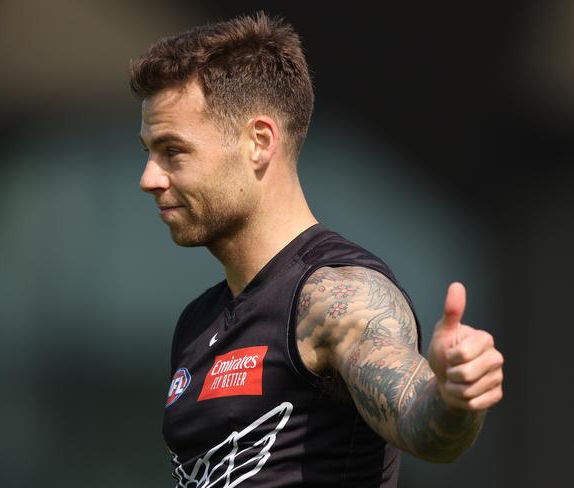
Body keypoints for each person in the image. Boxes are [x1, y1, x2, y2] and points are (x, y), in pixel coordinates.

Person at [130, 12, 504, 487]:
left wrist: (451, 401)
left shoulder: (334, 297)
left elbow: (422, 423)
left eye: (173, 152)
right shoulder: (196, 321)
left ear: (259, 143)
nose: (149, 179)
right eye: (148, 153)